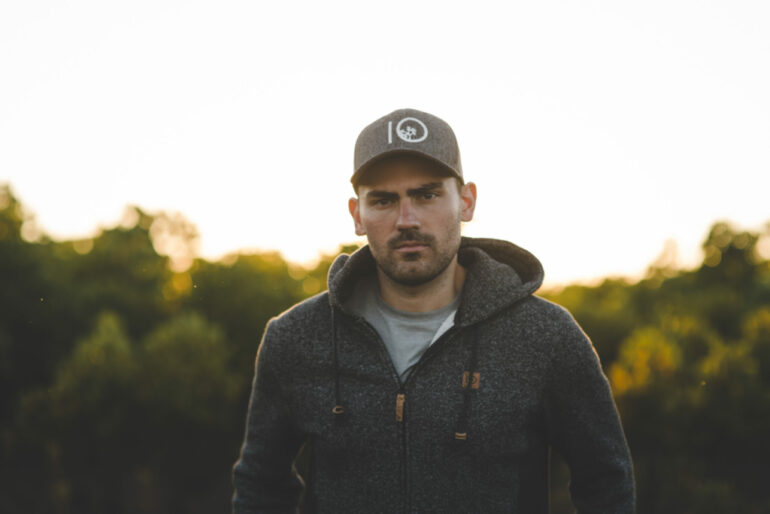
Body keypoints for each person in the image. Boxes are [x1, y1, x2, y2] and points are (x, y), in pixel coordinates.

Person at [232, 108, 635, 513]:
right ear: (357, 215)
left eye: (427, 195)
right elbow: (261, 483)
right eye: (384, 200)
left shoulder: (547, 336)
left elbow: (605, 480)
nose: (406, 220)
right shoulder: (297, 337)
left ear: (466, 201)